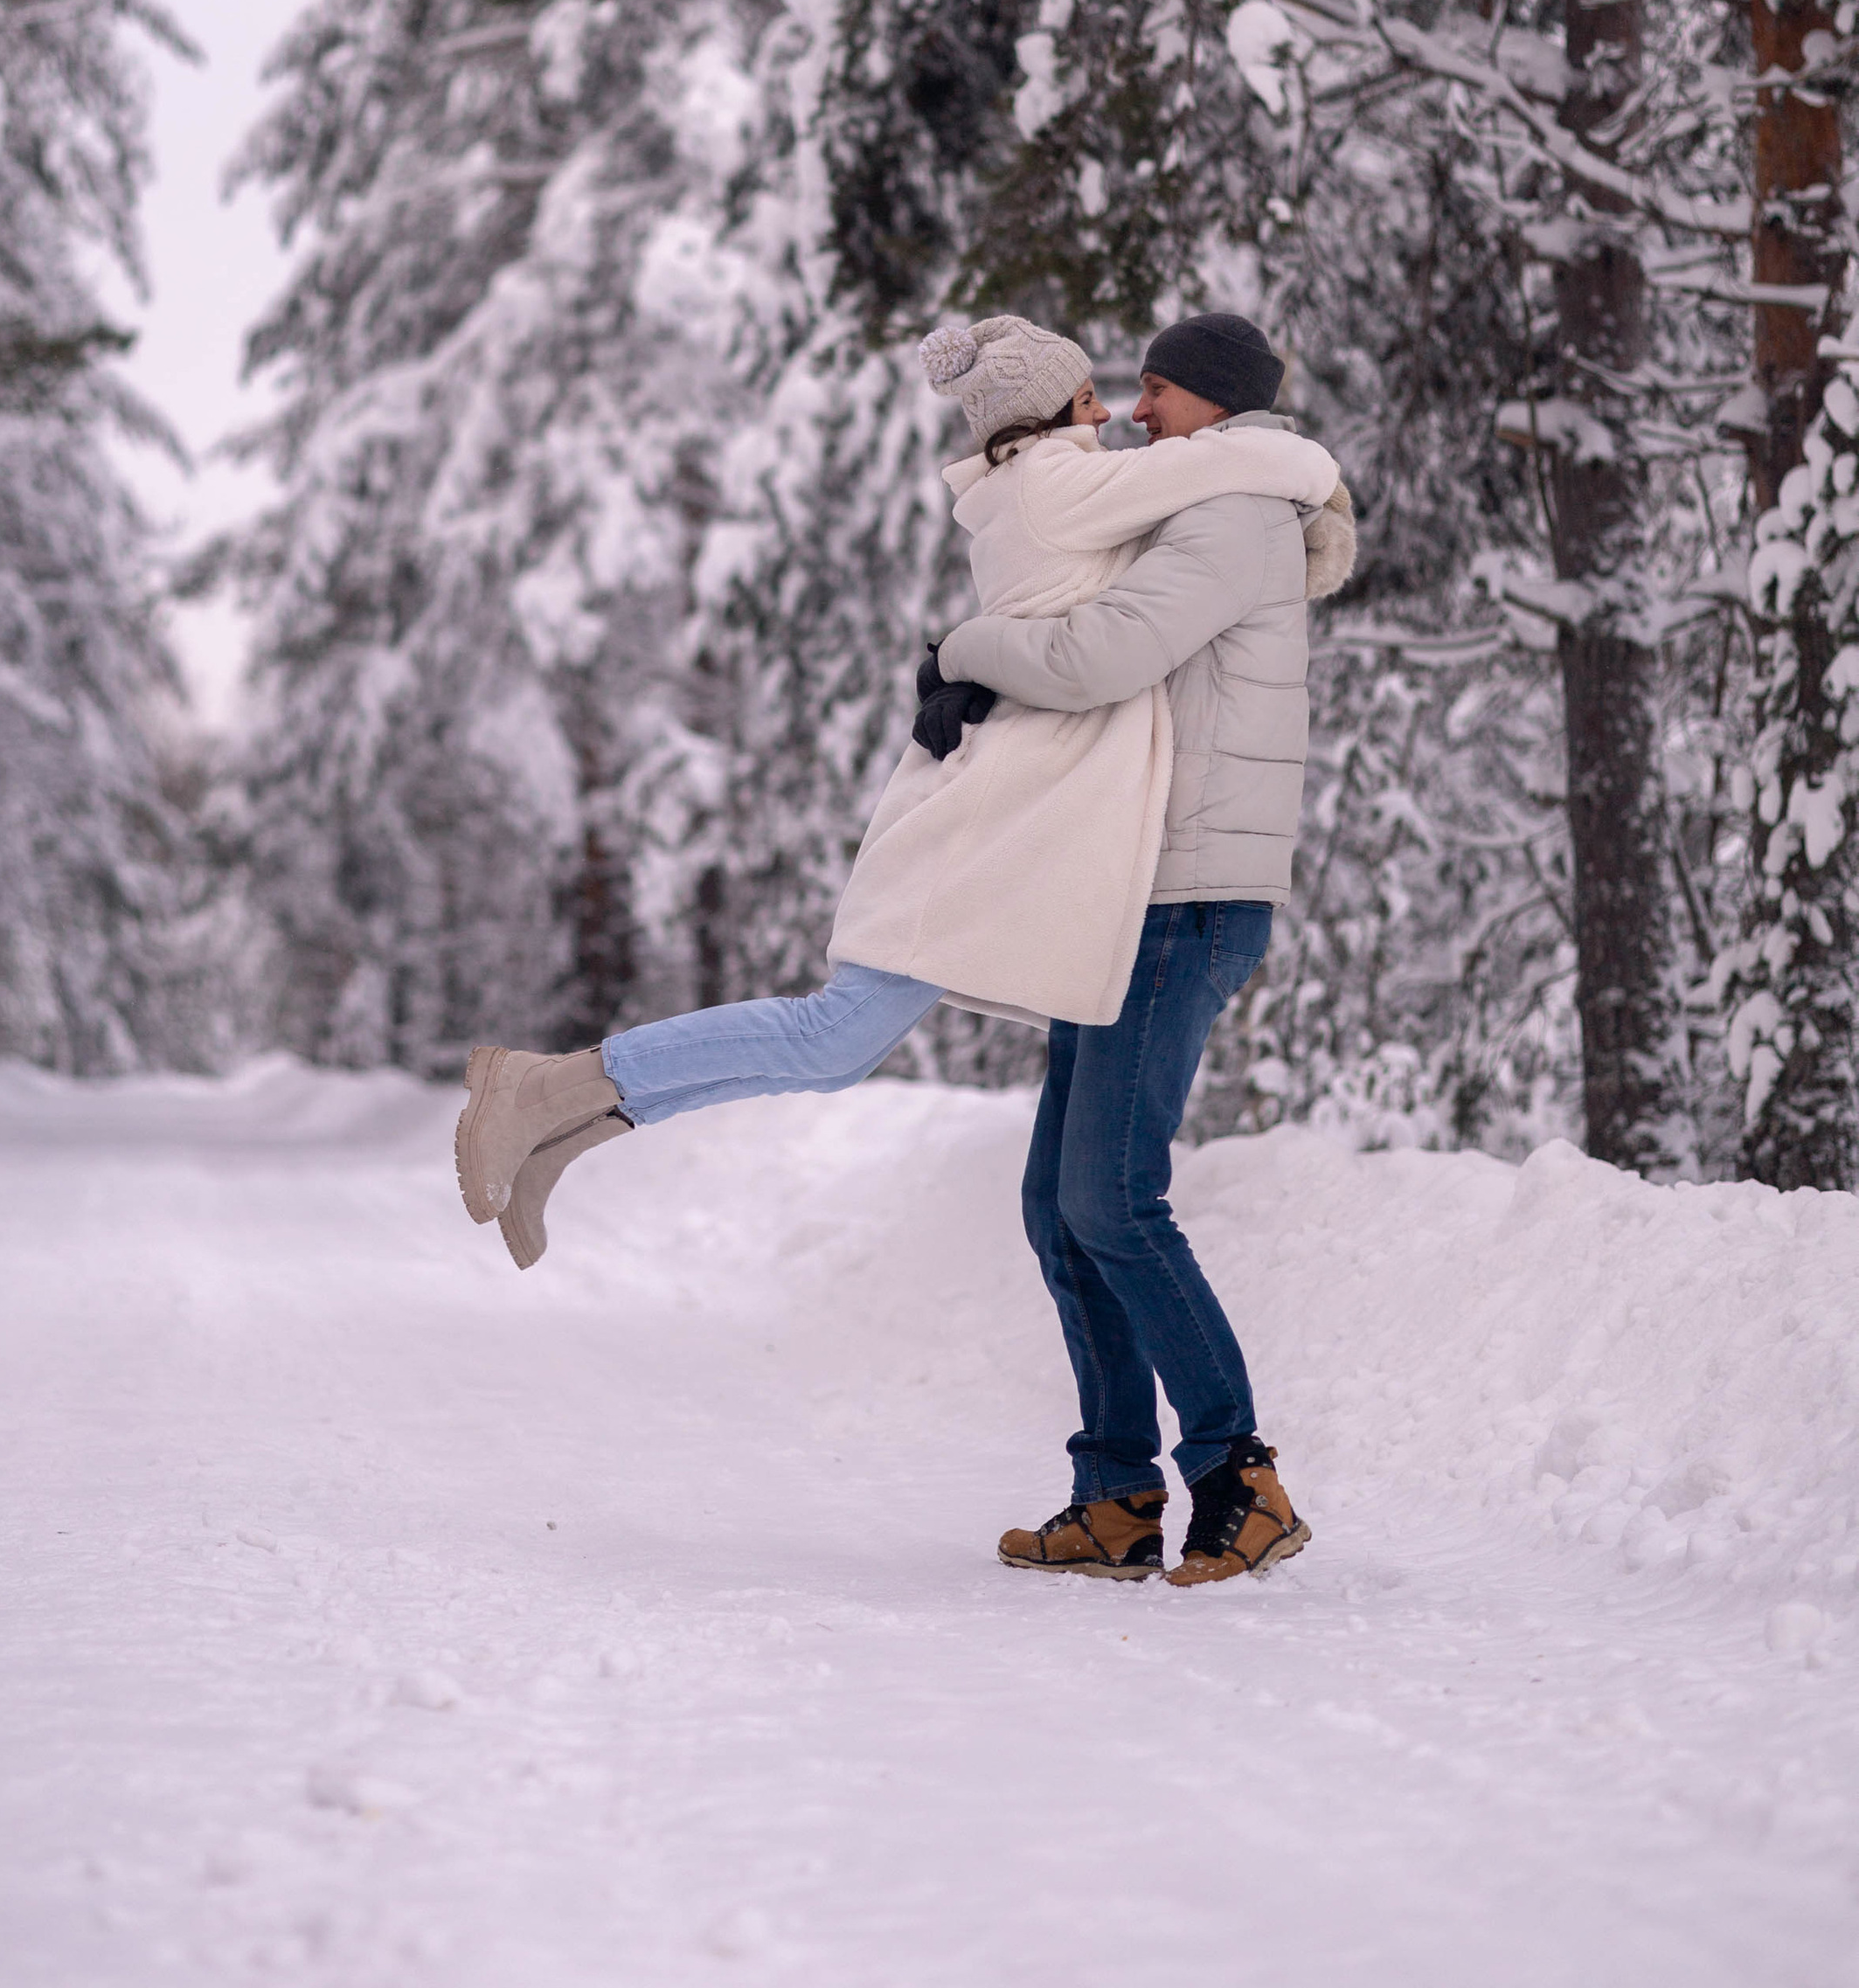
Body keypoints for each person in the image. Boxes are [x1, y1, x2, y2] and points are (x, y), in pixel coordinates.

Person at [452, 308, 1353, 1590]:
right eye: (1123, 392)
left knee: (1109, 1201)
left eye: (1157, 389)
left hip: (1188, 891)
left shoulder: (1232, 507)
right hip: (1128, 887)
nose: (1136, 409)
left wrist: (961, 651)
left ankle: (1237, 1477)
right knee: (1061, 1208)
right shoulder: (1180, 492)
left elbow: (1106, 650)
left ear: (1218, 401)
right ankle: (1114, 1495)